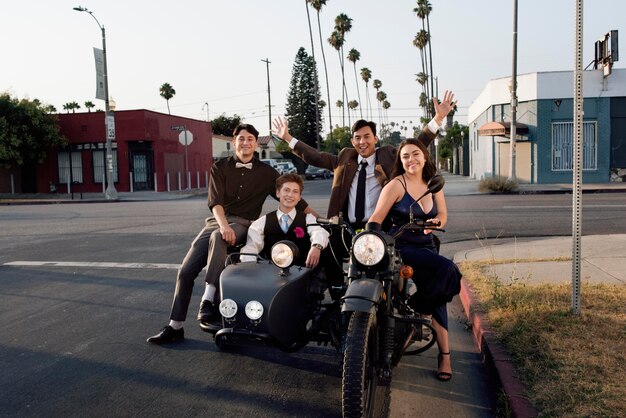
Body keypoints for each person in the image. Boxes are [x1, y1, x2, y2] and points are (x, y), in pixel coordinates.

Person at [147, 124, 318, 345]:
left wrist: (319, 217)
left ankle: (208, 300)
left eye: (250, 139)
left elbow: (291, 196)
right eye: (241, 139)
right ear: (233, 141)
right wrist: (223, 225)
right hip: (216, 223)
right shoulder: (219, 167)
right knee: (185, 271)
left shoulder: (267, 173)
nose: (245, 143)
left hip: (245, 224)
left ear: (256, 144)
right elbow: (215, 202)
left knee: (219, 237)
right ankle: (175, 326)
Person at [271, 91, 456, 232]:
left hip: (380, 228)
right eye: (357, 138)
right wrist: (288, 138)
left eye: (367, 136)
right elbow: (316, 157)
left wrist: (438, 118)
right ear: (352, 142)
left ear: (375, 139)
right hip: (346, 228)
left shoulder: (388, 157)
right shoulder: (344, 159)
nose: (362, 142)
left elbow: (416, 144)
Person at [368, 137, 462, 382]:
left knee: (440, 290)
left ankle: (444, 355)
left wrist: (436, 223)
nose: (411, 160)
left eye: (416, 154)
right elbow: (376, 219)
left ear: (425, 156)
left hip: (427, 247)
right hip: (401, 247)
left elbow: (442, 214)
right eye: (405, 156)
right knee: (448, 272)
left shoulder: (434, 183)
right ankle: (421, 309)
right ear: (400, 161)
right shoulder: (396, 185)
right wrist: (375, 239)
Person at [239, 173, 329, 268]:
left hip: (303, 273)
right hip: (272, 275)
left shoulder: (308, 219)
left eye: (295, 191)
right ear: (278, 193)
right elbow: (251, 249)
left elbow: (319, 232)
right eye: (286, 190)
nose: (290, 195)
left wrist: (316, 247)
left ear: (299, 197)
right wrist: (250, 268)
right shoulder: (261, 222)